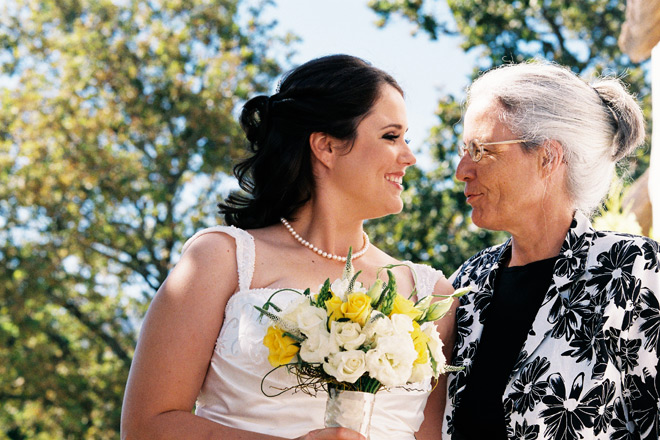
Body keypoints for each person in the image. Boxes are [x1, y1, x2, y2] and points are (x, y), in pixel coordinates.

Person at [121, 54, 456, 440]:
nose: (409, 157)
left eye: (406, 139)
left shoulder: (431, 295)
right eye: (391, 137)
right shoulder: (223, 260)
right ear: (326, 146)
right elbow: (147, 425)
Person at [443, 61, 660, 439]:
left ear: (548, 156)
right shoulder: (465, 284)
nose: (462, 169)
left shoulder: (635, 271)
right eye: (464, 150)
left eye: (480, 149)